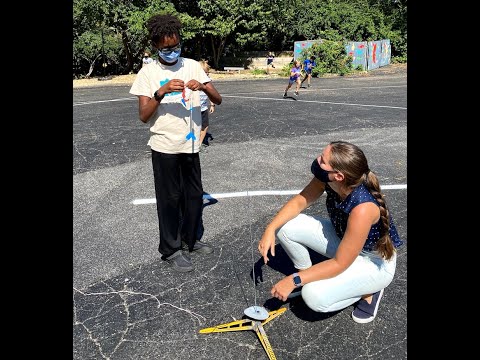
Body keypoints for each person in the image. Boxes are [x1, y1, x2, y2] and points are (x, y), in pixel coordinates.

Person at [258, 141, 403, 323]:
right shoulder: (328, 179)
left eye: (322, 160)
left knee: (313, 296)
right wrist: (270, 228)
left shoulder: (363, 208)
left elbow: (340, 263)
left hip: (373, 262)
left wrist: (293, 280)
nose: (317, 160)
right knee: (285, 226)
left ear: (339, 176)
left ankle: (368, 290)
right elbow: (299, 201)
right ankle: (309, 276)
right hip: (346, 242)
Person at [129, 14, 222, 272]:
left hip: (190, 147)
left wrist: (203, 88)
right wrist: (162, 91)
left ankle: (190, 240)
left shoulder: (192, 65)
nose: (173, 51)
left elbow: (219, 98)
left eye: (176, 46)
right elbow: (144, 116)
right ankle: (170, 249)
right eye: (166, 48)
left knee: (193, 196)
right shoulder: (148, 73)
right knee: (169, 199)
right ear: (156, 47)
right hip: (164, 147)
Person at [198, 60, 216, 148]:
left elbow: (210, 93)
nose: (207, 74)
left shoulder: (207, 81)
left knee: (204, 125)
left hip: (203, 107)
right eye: (205, 73)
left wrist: (212, 104)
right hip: (193, 108)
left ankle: (200, 143)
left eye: (208, 72)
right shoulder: (193, 82)